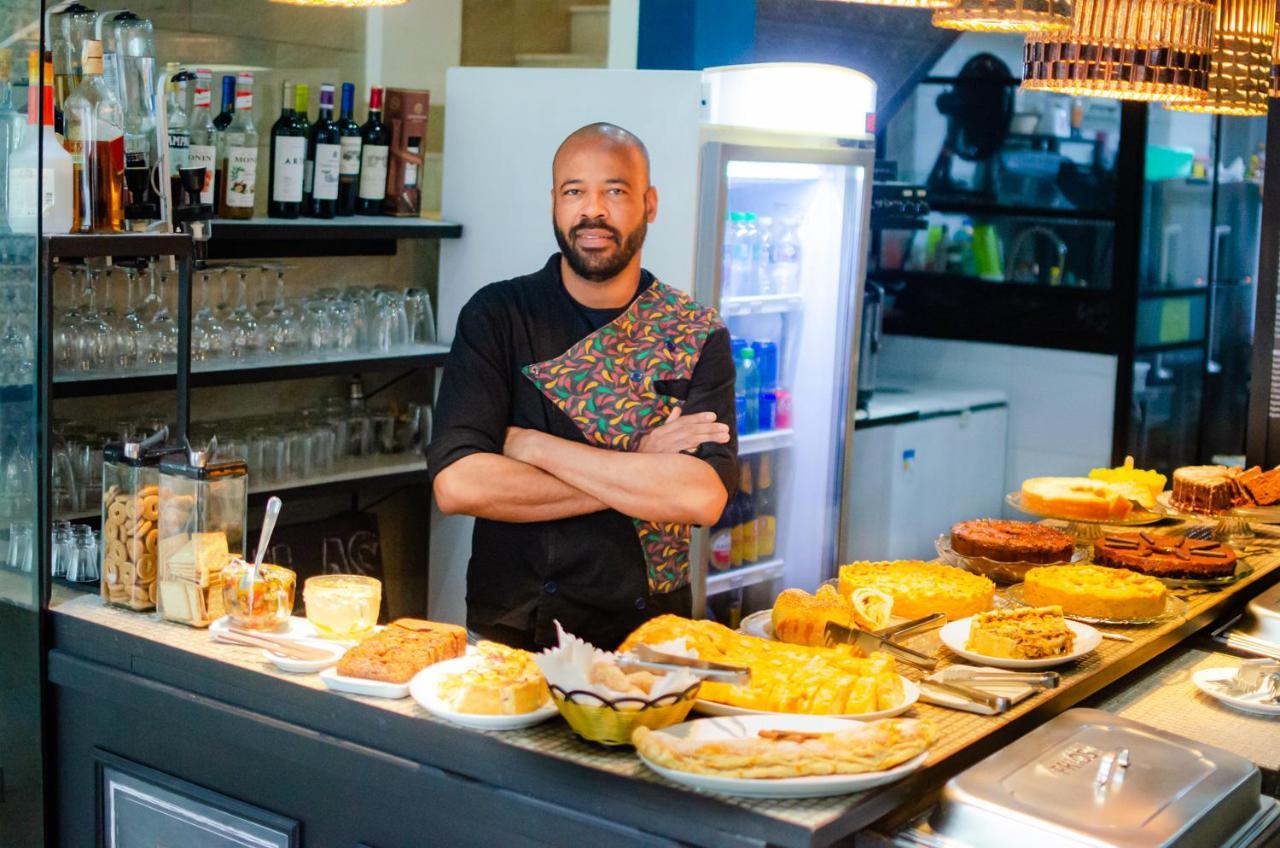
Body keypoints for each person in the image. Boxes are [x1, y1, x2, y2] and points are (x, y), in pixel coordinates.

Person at [428, 122, 738, 650]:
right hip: (516, 626)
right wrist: (642, 463)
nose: (593, 211)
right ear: (554, 202)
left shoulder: (695, 331)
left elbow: (701, 497)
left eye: (615, 191)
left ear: (650, 203)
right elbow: (459, 485)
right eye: (575, 192)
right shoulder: (498, 315)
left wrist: (534, 446)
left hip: (651, 637)